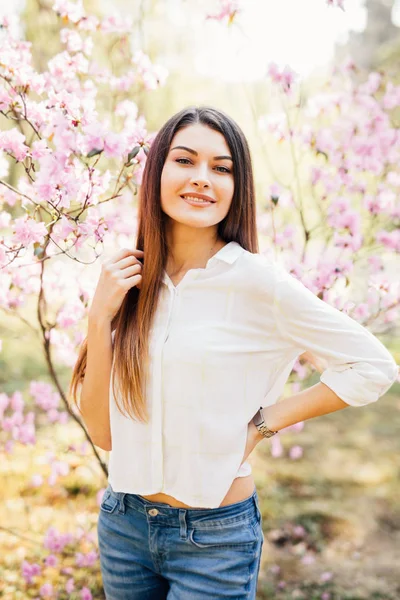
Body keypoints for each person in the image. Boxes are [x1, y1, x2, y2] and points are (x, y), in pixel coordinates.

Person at [69, 106, 398, 599]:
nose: (202, 179)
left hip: (214, 540)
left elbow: (373, 366)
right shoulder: (130, 280)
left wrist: (263, 424)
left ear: (236, 187)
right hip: (125, 525)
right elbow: (103, 433)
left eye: (221, 168)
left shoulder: (257, 282)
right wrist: (100, 319)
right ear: (157, 171)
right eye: (185, 160)